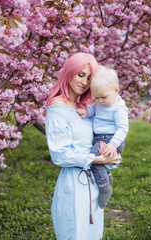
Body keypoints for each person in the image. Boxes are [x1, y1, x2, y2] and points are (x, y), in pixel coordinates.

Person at [45, 53, 121, 240]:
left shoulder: (84, 107)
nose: (85, 82)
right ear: (69, 72)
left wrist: (110, 157)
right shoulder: (58, 106)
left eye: (89, 78)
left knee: (92, 234)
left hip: (94, 181)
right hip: (73, 182)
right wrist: (97, 159)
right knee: (75, 232)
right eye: (80, 75)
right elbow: (60, 154)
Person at [77, 65, 129, 209]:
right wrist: (87, 111)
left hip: (110, 139)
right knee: (98, 161)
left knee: (93, 160)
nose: (100, 101)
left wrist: (112, 144)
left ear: (116, 90)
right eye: (97, 97)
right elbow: (94, 108)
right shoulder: (101, 101)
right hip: (100, 138)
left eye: (103, 97)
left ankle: (104, 187)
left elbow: (123, 128)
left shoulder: (118, 109)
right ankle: (107, 175)